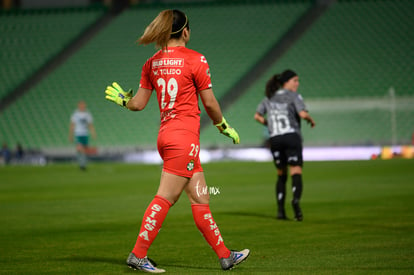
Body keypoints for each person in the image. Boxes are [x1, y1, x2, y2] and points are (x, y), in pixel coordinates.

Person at [105, 9, 249, 273]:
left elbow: (138, 104)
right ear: (185, 31)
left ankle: (225, 256)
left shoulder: (151, 63)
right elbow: (209, 102)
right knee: (165, 198)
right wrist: (222, 125)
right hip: (184, 139)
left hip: (166, 136)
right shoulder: (196, 60)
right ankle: (137, 255)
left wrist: (124, 100)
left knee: (200, 197)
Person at [254, 70, 315, 221]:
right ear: (286, 82)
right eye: (295, 80)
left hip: (275, 139)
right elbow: (302, 114)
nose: (297, 83)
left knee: (281, 174)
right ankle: (295, 201)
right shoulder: (294, 96)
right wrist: (310, 119)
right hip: (291, 136)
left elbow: (257, 116)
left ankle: (280, 211)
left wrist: (269, 124)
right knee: (296, 171)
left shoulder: (269, 98)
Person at [69, 100, 96, 170]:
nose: (82, 106)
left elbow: (90, 125)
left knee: (84, 150)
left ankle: (82, 164)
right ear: (78, 106)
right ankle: (82, 165)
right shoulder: (75, 114)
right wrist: (71, 135)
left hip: (85, 134)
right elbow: (72, 125)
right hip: (78, 134)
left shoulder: (87, 114)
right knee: (80, 148)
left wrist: (93, 133)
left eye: (83, 105)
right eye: (81, 105)